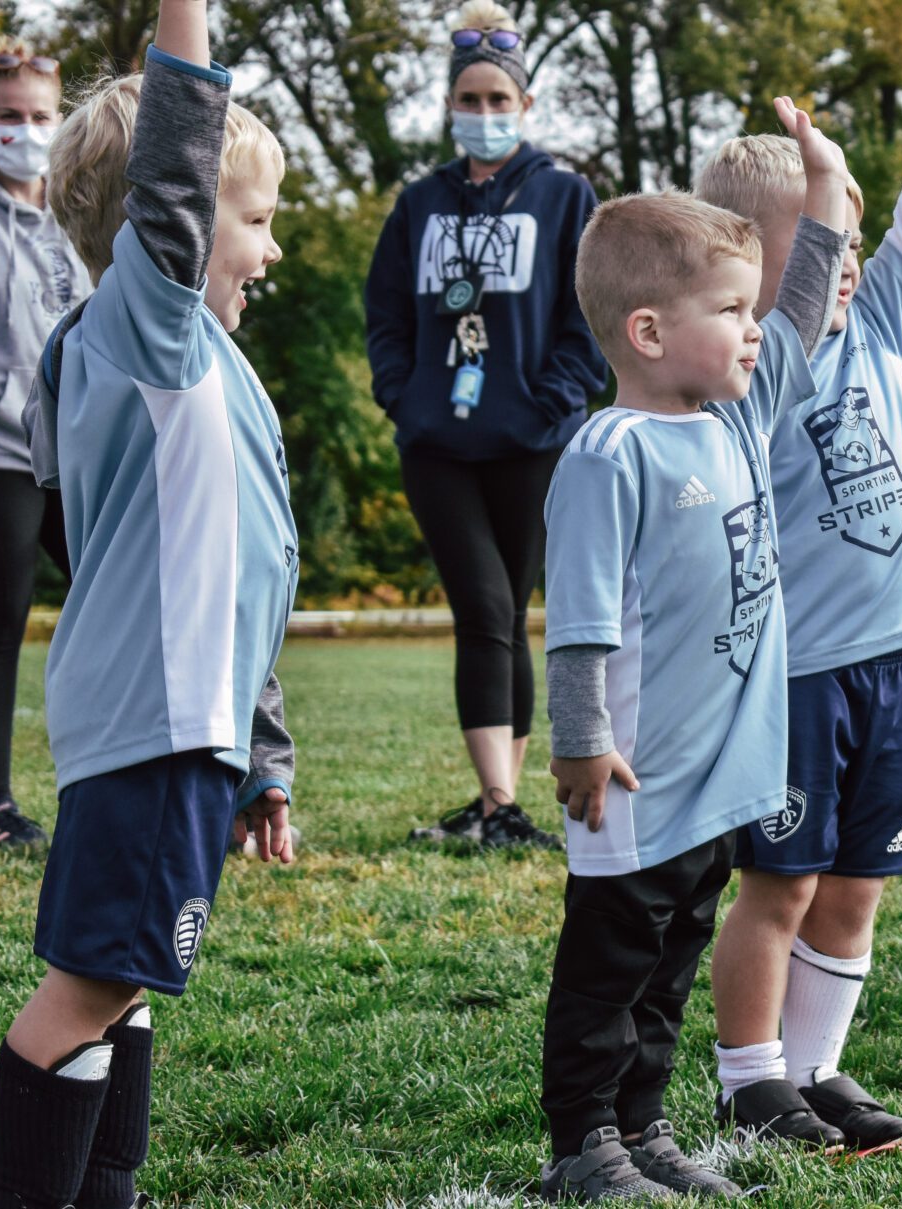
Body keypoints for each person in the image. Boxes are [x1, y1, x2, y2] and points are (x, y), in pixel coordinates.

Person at [0, 1, 299, 1204]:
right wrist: (189, 16)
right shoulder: (148, 334)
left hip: (183, 730)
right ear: (172, 227)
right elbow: (174, 163)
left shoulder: (198, 361)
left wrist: (262, 756)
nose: (272, 249)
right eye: (253, 219)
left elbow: (238, 575)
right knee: (94, 986)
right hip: (154, 728)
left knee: (129, 982)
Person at [535, 98, 849, 1202]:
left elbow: (802, 314)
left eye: (750, 307)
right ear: (649, 333)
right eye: (728, 309)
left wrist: (824, 189)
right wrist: (580, 742)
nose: (755, 328)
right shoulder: (609, 453)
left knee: (669, 971)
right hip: (634, 781)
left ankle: (643, 1127)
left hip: (713, 784)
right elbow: (578, 621)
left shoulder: (734, 424)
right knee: (609, 972)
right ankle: (582, 1143)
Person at [693, 8, 902, 1154]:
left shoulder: (884, 328)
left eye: (850, 236)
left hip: (897, 657)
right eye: (821, 236)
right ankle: (748, 1077)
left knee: (857, 886)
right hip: (797, 676)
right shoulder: (752, 370)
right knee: (781, 885)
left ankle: (815, 1067)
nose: (846, 258)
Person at [365, 0, 607, 852]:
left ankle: (497, 803)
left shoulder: (565, 195)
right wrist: (404, 395)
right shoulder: (419, 203)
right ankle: (499, 799)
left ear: (525, 104)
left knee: (511, 616)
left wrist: (551, 398)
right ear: (449, 105)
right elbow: (386, 312)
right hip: (438, 443)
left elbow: (592, 311)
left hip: (534, 442)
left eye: (499, 99)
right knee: (485, 607)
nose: (484, 112)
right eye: (469, 99)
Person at [0, 37, 90, 847]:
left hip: (73, 450)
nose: (26, 130)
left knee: (124, 594)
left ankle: (138, 775)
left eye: (41, 115)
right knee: (0, 617)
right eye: (10, 115)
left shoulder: (77, 205)